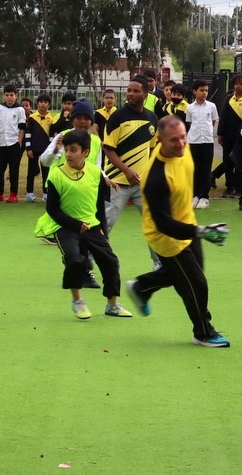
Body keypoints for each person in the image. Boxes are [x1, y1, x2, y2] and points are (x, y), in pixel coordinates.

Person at [126, 116, 230, 348]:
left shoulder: (185, 150)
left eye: (184, 137)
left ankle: (142, 287)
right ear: (160, 140)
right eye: (174, 140)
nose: (181, 143)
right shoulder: (155, 177)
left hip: (187, 222)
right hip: (165, 236)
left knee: (188, 276)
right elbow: (164, 224)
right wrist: (203, 231)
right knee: (196, 284)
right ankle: (203, 332)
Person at [43, 129, 132, 320]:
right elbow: (52, 210)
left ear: (85, 152)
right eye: (66, 149)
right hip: (65, 227)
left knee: (110, 260)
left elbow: (99, 206)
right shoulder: (56, 175)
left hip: (91, 225)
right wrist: (75, 225)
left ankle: (112, 305)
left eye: (73, 150)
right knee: (75, 259)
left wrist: (104, 233)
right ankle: (78, 301)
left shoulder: (95, 173)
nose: (68, 154)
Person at [103, 75, 160, 269]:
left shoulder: (152, 118)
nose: (130, 94)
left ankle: (159, 263)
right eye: (129, 90)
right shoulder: (117, 117)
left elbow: (152, 149)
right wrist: (126, 171)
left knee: (153, 223)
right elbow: (108, 149)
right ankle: (87, 263)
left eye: (135, 91)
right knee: (104, 225)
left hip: (141, 184)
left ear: (145, 94)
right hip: (116, 182)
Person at [0, 83, 25, 203]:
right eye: (7, 95)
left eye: (11, 95)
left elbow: (22, 127)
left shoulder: (20, 110)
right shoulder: (0, 108)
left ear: (16, 96)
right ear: (3, 96)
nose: (9, 97)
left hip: (13, 143)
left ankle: (13, 194)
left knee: (14, 170)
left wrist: (19, 141)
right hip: (1, 143)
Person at [185, 79, 217, 209]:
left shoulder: (212, 106)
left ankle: (204, 196)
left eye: (206, 91)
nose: (204, 93)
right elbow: (190, 123)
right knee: (194, 170)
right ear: (194, 91)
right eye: (201, 90)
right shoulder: (190, 108)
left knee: (205, 170)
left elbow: (213, 121)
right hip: (193, 142)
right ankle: (195, 195)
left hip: (207, 142)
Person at [216, 74, 242, 199]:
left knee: (238, 163)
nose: (238, 86)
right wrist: (220, 134)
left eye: (241, 84)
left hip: (240, 139)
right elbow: (223, 118)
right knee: (227, 162)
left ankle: (238, 189)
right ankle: (229, 187)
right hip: (228, 136)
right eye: (236, 84)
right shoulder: (228, 99)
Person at [24, 92, 52, 202]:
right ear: (37, 104)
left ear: (49, 105)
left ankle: (46, 193)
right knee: (31, 171)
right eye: (41, 102)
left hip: (46, 150)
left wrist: (50, 150)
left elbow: (51, 135)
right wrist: (28, 148)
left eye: (45, 102)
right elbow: (28, 133)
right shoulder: (32, 118)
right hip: (33, 149)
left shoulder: (51, 119)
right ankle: (29, 193)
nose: (43, 104)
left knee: (46, 172)